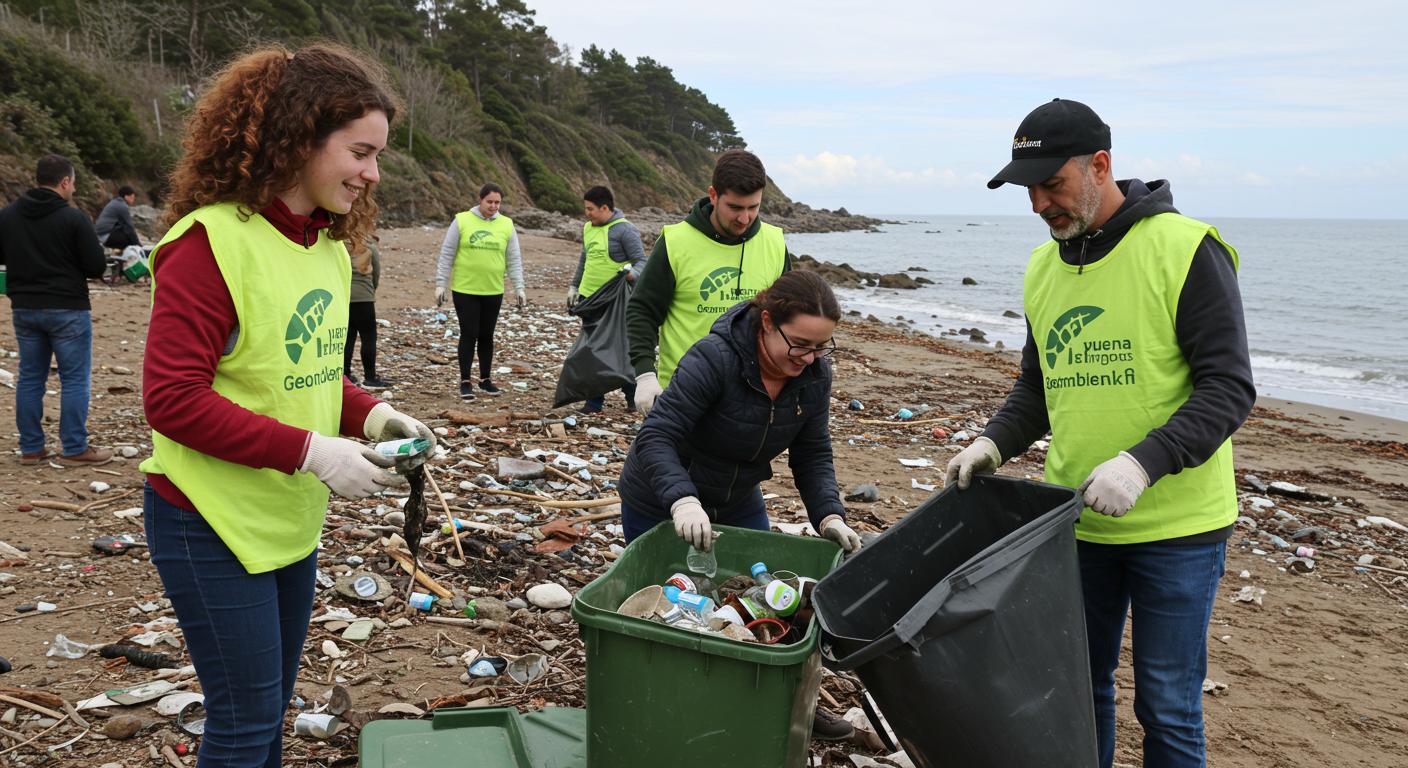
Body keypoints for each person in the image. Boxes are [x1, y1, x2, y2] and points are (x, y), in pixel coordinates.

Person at [140, 43, 436, 767]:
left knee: (270, 713)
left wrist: (371, 417)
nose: (372, 174)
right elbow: (171, 399)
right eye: (360, 153)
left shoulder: (329, 250)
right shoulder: (210, 242)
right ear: (301, 138)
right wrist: (313, 451)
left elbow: (304, 373)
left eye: (378, 157)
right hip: (205, 515)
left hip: (287, 516)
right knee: (241, 726)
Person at [948, 98, 1254, 768]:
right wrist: (993, 441)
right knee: (1076, 692)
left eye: (1051, 185)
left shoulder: (1186, 249)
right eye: (1028, 191)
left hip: (1179, 527)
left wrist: (1143, 464)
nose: (1038, 205)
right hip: (1074, 524)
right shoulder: (1041, 269)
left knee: (1168, 705)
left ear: (1100, 166)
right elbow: (1039, 387)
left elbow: (1229, 387)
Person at [617, 269, 860, 742]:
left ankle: (779, 708)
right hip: (663, 499)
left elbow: (813, 453)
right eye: (800, 345)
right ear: (767, 322)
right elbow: (656, 435)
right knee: (669, 609)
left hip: (737, 496)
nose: (810, 359)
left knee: (767, 601)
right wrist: (682, 500)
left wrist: (829, 515)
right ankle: (671, 711)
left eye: (821, 347)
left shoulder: (813, 376)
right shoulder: (715, 359)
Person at [626, 149, 792, 414]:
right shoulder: (676, 241)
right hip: (683, 392)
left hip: (751, 395)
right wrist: (645, 375)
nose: (744, 218)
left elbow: (787, 320)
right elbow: (642, 310)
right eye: (735, 207)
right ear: (713, 195)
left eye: (753, 207)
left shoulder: (773, 242)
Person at [0, 154, 112, 466]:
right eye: (73, 184)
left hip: (24, 307)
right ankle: (75, 448)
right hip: (67, 308)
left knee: (30, 378)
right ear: (64, 182)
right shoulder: (73, 218)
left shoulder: (7, 216)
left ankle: (32, 448)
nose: (73, 190)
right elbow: (96, 265)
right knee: (74, 379)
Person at [434, 183, 526, 400]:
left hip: (493, 289)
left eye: (497, 202)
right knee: (469, 333)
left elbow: (514, 259)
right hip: (465, 289)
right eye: (489, 202)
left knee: (486, 335)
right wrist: (441, 283)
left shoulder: (506, 224)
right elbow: (447, 253)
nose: (493, 206)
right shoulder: (462, 220)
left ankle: (485, 379)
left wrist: (519, 287)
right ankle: (465, 380)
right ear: (480, 199)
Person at [569, 185, 646, 414]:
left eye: (591, 209)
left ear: (605, 208)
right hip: (589, 299)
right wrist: (574, 287)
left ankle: (632, 396)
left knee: (619, 349)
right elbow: (585, 260)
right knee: (591, 350)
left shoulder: (625, 230)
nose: (587, 213)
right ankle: (594, 402)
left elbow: (642, 261)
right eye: (586, 209)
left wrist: (631, 274)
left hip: (615, 300)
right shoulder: (588, 229)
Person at [346, 235, 389, 388]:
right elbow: (376, 273)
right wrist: (371, 290)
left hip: (344, 297)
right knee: (368, 338)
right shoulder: (369, 246)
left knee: (348, 338)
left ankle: (345, 375)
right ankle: (370, 377)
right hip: (364, 297)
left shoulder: (340, 244)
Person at [94, 185, 141, 250]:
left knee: (126, 232)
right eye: (132, 197)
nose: (133, 200)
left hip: (100, 235)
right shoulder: (122, 206)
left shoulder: (114, 202)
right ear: (126, 196)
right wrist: (139, 245)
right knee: (129, 239)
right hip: (104, 237)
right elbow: (130, 227)